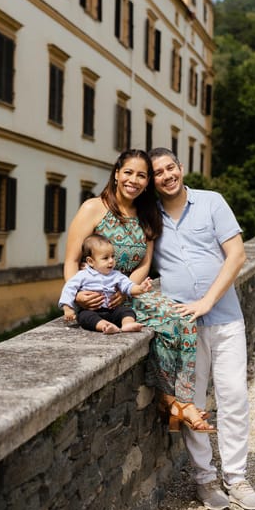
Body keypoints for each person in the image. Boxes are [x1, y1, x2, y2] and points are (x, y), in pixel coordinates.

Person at [63, 149, 214, 433]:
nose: (134, 180)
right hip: (97, 299)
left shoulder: (147, 213)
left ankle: (177, 400)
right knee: (171, 322)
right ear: (117, 173)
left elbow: (145, 262)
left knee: (182, 319)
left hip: (130, 293)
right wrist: (76, 298)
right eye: (129, 173)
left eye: (142, 175)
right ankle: (176, 403)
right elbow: (72, 259)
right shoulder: (93, 208)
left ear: (147, 183)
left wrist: (128, 288)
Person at [148, 147, 255, 510]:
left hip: (226, 317)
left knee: (234, 399)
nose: (167, 175)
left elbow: (237, 255)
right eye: (158, 172)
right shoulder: (148, 217)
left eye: (171, 168)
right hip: (181, 328)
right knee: (192, 404)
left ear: (181, 169)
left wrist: (207, 302)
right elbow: (140, 266)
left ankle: (237, 478)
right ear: (152, 181)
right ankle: (205, 480)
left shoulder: (212, 202)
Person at [59, 233, 151, 334]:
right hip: (92, 310)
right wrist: (68, 308)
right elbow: (69, 288)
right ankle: (105, 326)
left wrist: (140, 288)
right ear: (90, 261)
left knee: (127, 311)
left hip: (112, 310)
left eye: (112, 256)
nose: (111, 261)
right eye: (105, 258)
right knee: (84, 317)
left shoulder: (116, 275)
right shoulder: (83, 275)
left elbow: (128, 286)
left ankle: (127, 324)